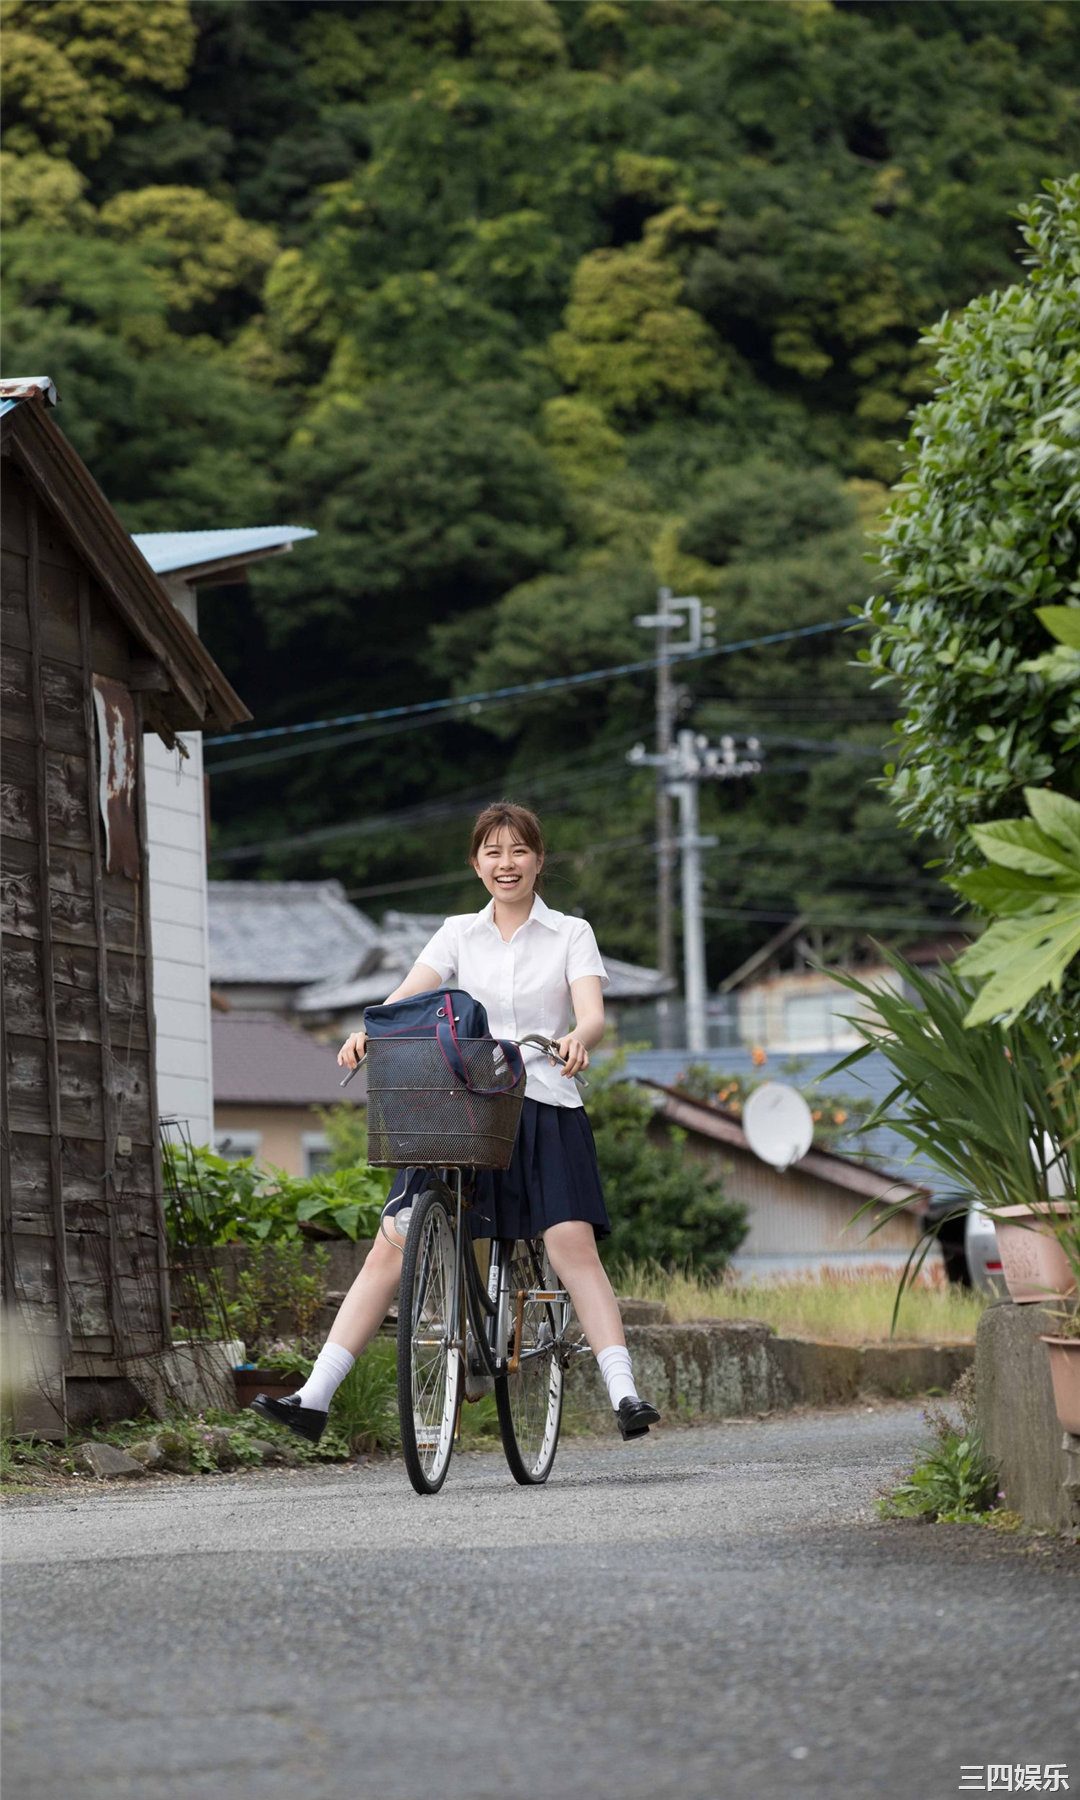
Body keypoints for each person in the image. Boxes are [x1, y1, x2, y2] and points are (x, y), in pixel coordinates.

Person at [251, 801, 660, 1448]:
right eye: (493, 853)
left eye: (519, 851)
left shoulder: (571, 933)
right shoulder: (456, 934)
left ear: (539, 859)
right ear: (476, 864)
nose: (507, 864)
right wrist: (368, 1031)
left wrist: (578, 1040)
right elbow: (408, 994)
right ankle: (315, 1395)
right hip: (463, 1105)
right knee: (395, 1237)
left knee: (568, 1242)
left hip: (544, 1098)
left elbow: (592, 1014)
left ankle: (624, 1391)